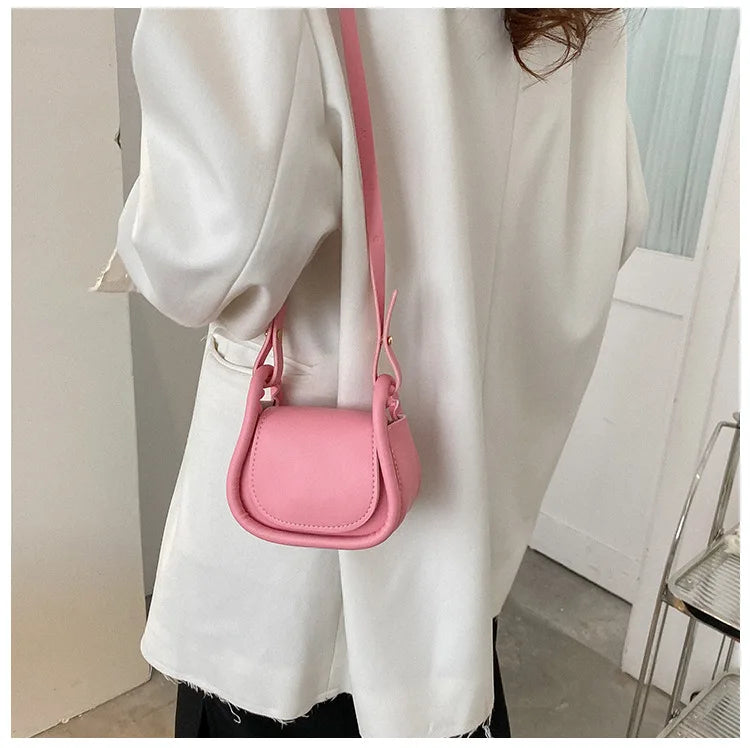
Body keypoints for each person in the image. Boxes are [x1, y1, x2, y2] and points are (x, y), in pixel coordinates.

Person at [94, 8, 647, 738]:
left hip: (300, 580)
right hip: (467, 547)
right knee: (441, 695)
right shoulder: (587, 19)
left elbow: (203, 253)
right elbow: (616, 220)